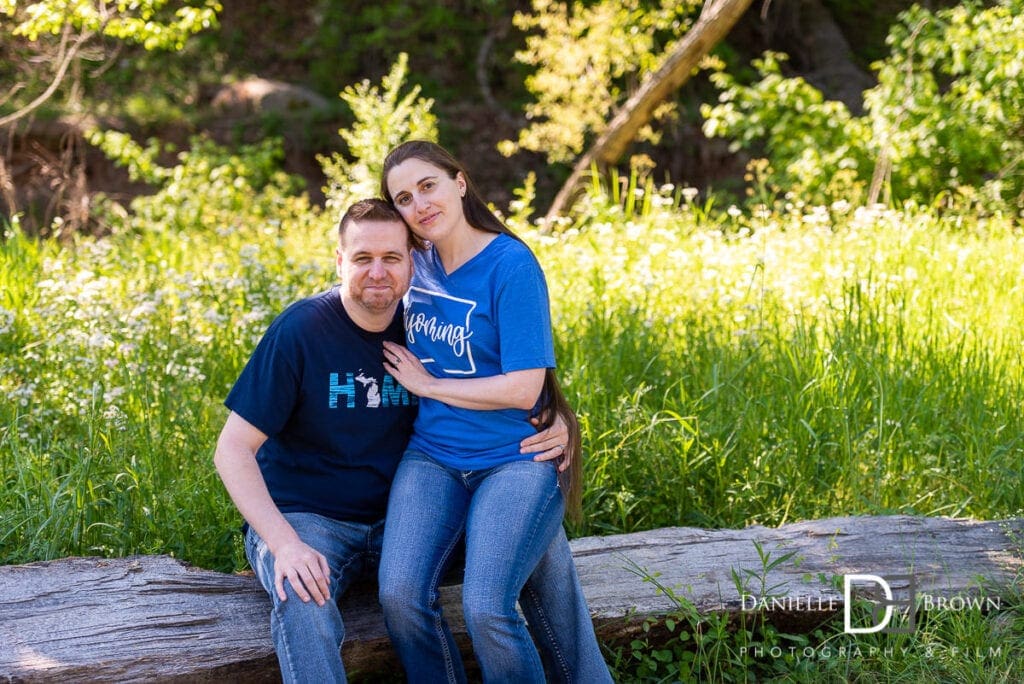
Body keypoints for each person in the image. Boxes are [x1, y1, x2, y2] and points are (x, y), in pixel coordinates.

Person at [214, 198, 606, 683]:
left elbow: (505, 382)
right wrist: (284, 544)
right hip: (309, 519)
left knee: (538, 538)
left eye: (392, 258)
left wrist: (557, 418)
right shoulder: (302, 331)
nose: (377, 273)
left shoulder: (425, 324)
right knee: (302, 594)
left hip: (405, 518)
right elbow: (232, 448)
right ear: (339, 261)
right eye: (362, 258)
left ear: (413, 261)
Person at [377, 141, 610, 683]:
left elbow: (526, 388)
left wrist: (428, 384)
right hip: (433, 458)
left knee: (487, 607)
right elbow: (363, 280)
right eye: (404, 198)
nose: (419, 204)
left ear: (460, 182)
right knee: (399, 595)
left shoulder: (511, 263)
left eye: (428, 186)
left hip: (516, 458)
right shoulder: (417, 266)